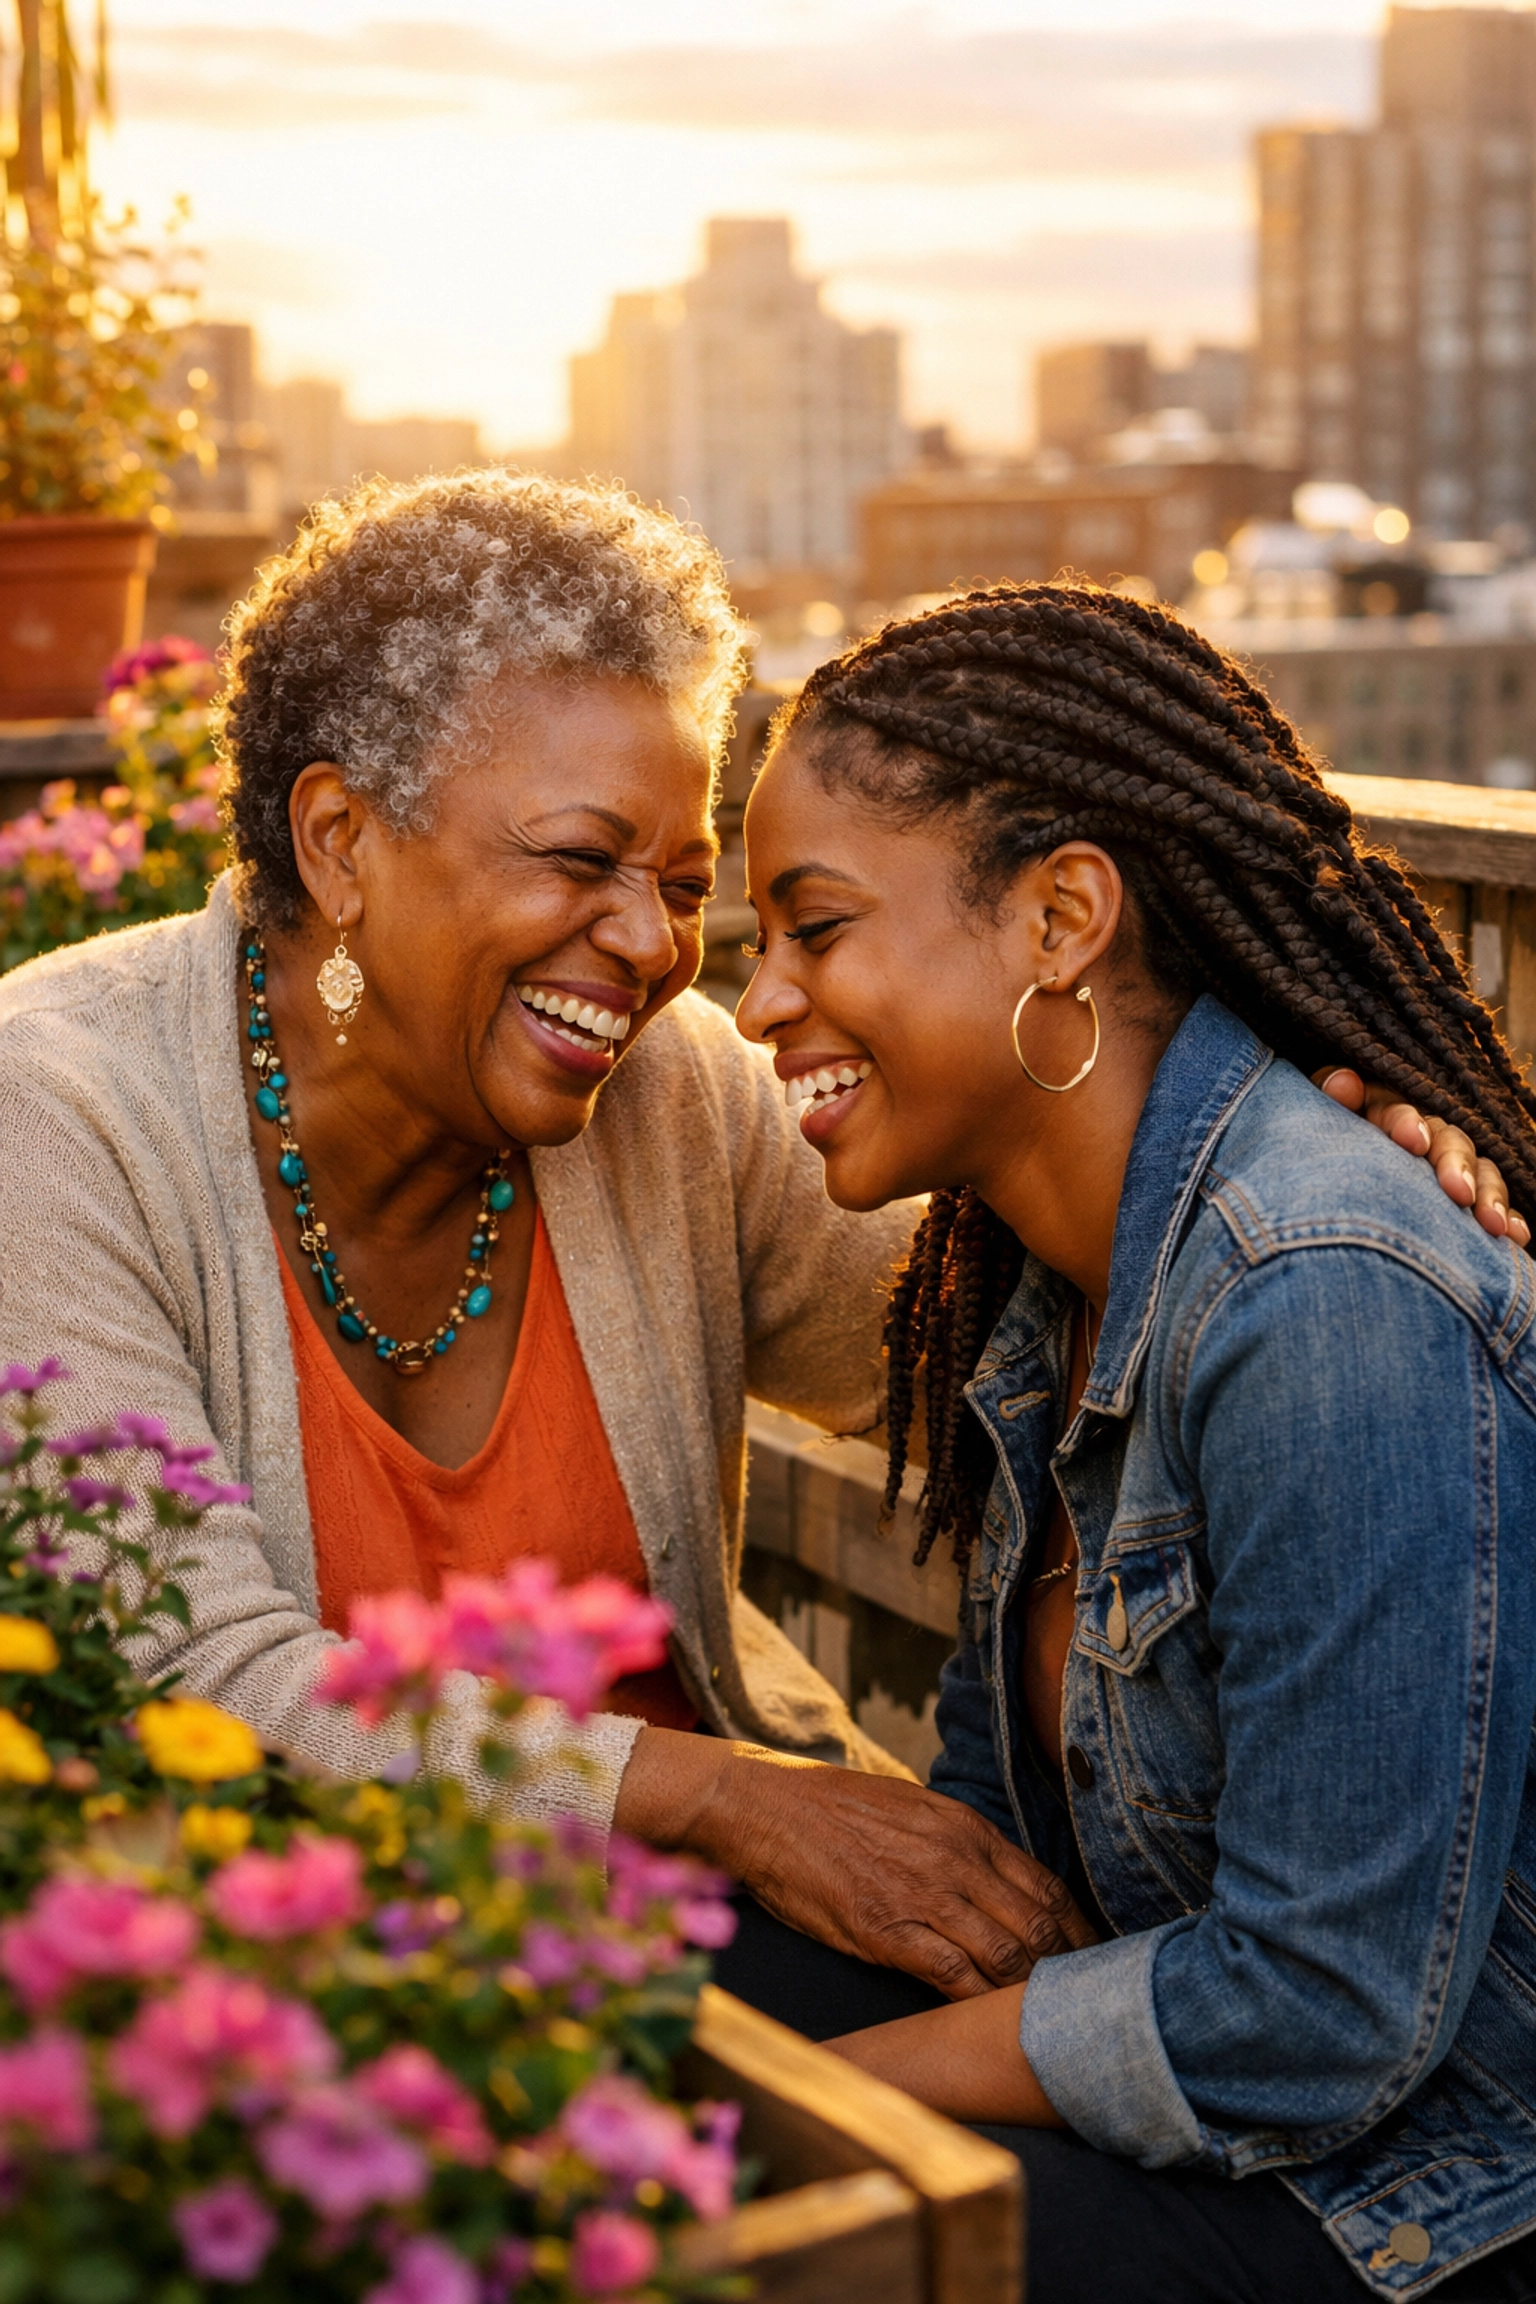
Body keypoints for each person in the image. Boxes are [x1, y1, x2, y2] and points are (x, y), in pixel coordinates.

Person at [0, 475, 1510, 2012]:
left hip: (708, 1951)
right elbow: (178, 1679)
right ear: (339, 839)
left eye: (676, 885)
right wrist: (718, 1794)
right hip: (291, 1983)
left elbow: (1000, 1325)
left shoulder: (666, 1093)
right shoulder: (62, 1115)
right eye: (583, 862)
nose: (661, 951)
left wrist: (1309, 1145)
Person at [732, 582, 1536, 2302]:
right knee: (629, 1977)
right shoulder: (1038, 1285)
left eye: (813, 928)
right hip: (1200, 2071)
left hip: (1424, 2197)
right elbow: (991, 1842)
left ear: (1062, 916)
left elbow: (1323, 2014)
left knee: (770, 2232)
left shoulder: (1319, 1294)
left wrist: (828, 2106)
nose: (755, 1003)